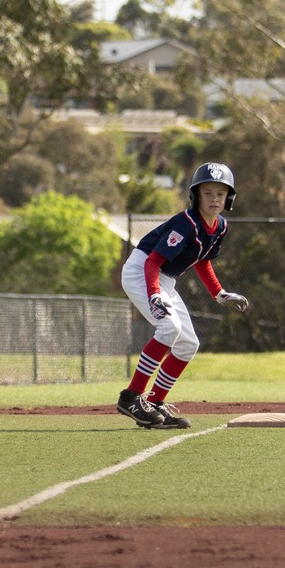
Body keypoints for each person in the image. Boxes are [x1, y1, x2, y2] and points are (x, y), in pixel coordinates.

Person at [115, 162, 252, 430]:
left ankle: (154, 404)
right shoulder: (185, 224)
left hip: (164, 279)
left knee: (188, 343)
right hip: (141, 271)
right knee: (169, 328)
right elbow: (152, 262)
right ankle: (131, 397)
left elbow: (202, 261)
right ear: (196, 196)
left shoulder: (220, 226)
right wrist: (154, 294)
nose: (214, 199)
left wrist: (219, 293)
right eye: (208, 193)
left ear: (229, 198)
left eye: (220, 194)